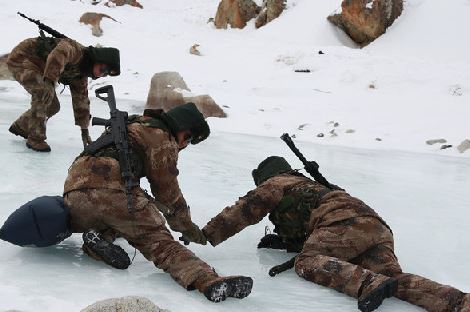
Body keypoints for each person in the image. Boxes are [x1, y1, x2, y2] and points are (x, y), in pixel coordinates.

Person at [201, 156, 470, 311]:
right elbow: (306, 220)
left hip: (342, 225)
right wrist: (284, 241)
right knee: (393, 277)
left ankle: (367, 283)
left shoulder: (275, 184)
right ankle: (459, 302)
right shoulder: (312, 184)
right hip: (376, 227)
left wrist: (204, 234)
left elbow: (243, 211)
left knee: (307, 262)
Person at [63, 103, 253, 302]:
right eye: (188, 139)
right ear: (183, 130)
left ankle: (98, 238)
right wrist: (187, 228)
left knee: (120, 217)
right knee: (160, 243)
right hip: (110, 192)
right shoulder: (161, 137)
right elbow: (168, 193)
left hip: (73, 198)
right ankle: (207, 280)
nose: (184, 145)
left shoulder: (134, 125)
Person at [7, 35, 120, 152]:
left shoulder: (81, 75)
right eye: (102, 70)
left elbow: (81, 101)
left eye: (105, 74)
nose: (101, 75)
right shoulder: (76, 51)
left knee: (53, 106)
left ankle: (21, 126)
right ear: (97, 60)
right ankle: (35, 138)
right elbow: (58, 54)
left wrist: (84, 130)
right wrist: (49, 80)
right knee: (44, 92)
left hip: (40, 68)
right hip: (23, 58)